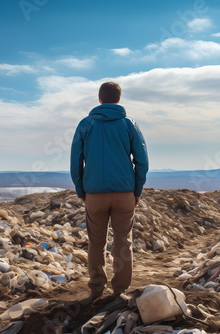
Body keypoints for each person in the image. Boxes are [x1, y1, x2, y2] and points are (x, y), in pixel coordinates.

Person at [70, 81, 148, 301]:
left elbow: (76, 160)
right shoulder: (129, 125)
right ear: (119, 99)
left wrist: (81, 190)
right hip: (124, 193)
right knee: (124, 241)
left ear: (100, 99)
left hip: (94, 193)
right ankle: (120, 291)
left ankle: (96, 289)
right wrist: (137, 189)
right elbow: (142, 161)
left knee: (96, 242)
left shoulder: (85, 125)